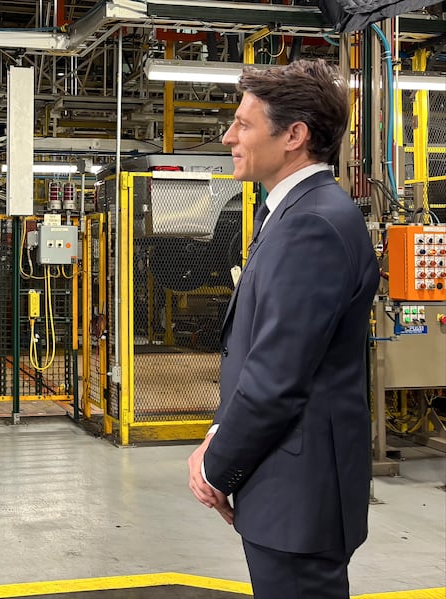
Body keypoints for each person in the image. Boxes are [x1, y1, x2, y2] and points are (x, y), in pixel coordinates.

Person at [187, 59, 379, 598]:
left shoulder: (311, 226)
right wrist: (219, 436)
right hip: (288, 484)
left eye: (244, 124)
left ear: (294, 135)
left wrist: (216, 468)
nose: (229, 136)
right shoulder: (295, 214)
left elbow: (277, 378)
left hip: (298, 493)